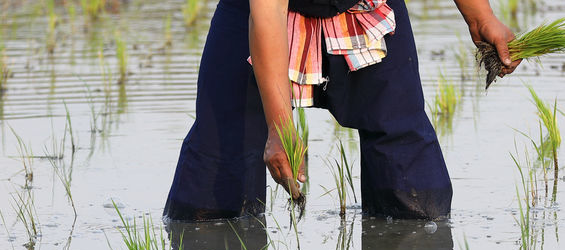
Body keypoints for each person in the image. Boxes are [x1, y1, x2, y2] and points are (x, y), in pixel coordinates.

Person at [164, 0, 520, 221]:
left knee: (416, 197)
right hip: (258, 13)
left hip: (367, 8)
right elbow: (267, 10)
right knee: (211, 193)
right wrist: (281, 129)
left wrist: (481, 15)